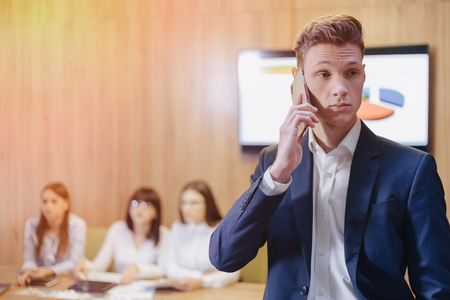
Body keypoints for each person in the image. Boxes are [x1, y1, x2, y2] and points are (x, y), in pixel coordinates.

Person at [209, 14, 450, 300]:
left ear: (363, 76)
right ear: (299, 82)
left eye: (351, 72)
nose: (340, 89)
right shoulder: (272, 163)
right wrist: (277, 176)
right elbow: (224, 257)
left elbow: (436, 288)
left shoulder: (411, 169)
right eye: (324, 74)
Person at [73, 187, 170, 284]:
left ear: (156, 212)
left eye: (146, 204)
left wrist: (138, 268)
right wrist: (84, 264)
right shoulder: (117, 229)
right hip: (120, 287)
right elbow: (100, 266)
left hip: (148, 289)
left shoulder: (164, 234)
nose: (139, 208)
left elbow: (164, 270)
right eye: (135, 203)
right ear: (129, 209)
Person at [164, 180, 240, 291]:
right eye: (183, 202)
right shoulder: (178, 227)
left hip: (215, 292)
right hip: (183, 289)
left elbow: (233, 272)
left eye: (194, 203)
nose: (186, 208)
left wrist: (201, 282)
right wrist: (201, 275)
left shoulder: (222, 229)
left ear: (208, 204)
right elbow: (169, 267)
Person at [17, 182, 87, 286]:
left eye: (54, 202)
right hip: (39, 281)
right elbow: (28, 258)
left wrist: (50, 270)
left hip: (67, 281)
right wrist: (30, 271)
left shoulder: (78, 225)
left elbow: (74, 262)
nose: (48, 206)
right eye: (44, 201)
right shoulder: (32, 224)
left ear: (66, 204)